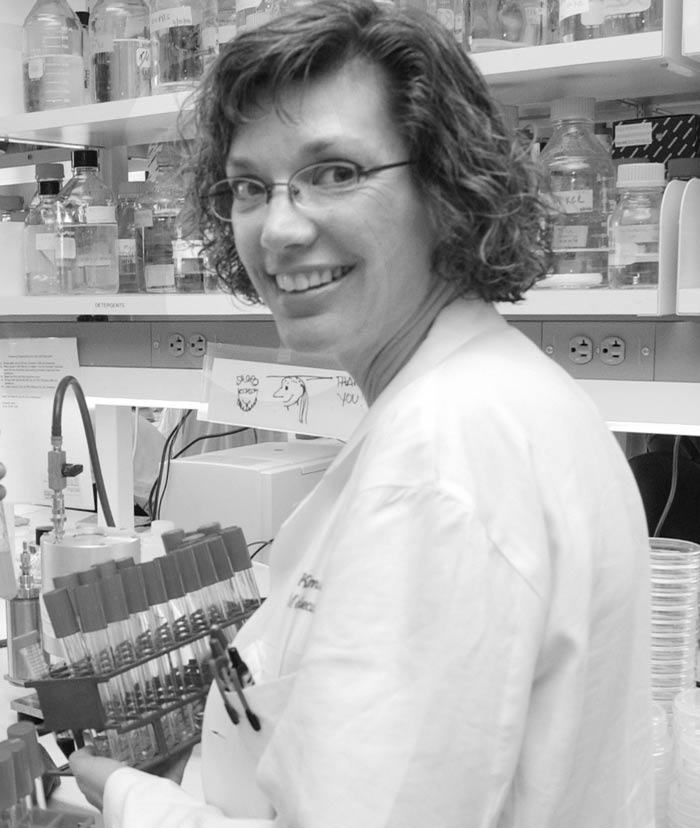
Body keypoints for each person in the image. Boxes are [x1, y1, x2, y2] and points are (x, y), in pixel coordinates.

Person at [70, 1, 655, 826]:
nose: (277, 228)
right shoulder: (491, 393)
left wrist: (128, 801)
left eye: (336, 172)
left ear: (444, 183)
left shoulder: (443, 452)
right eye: (247, 186)